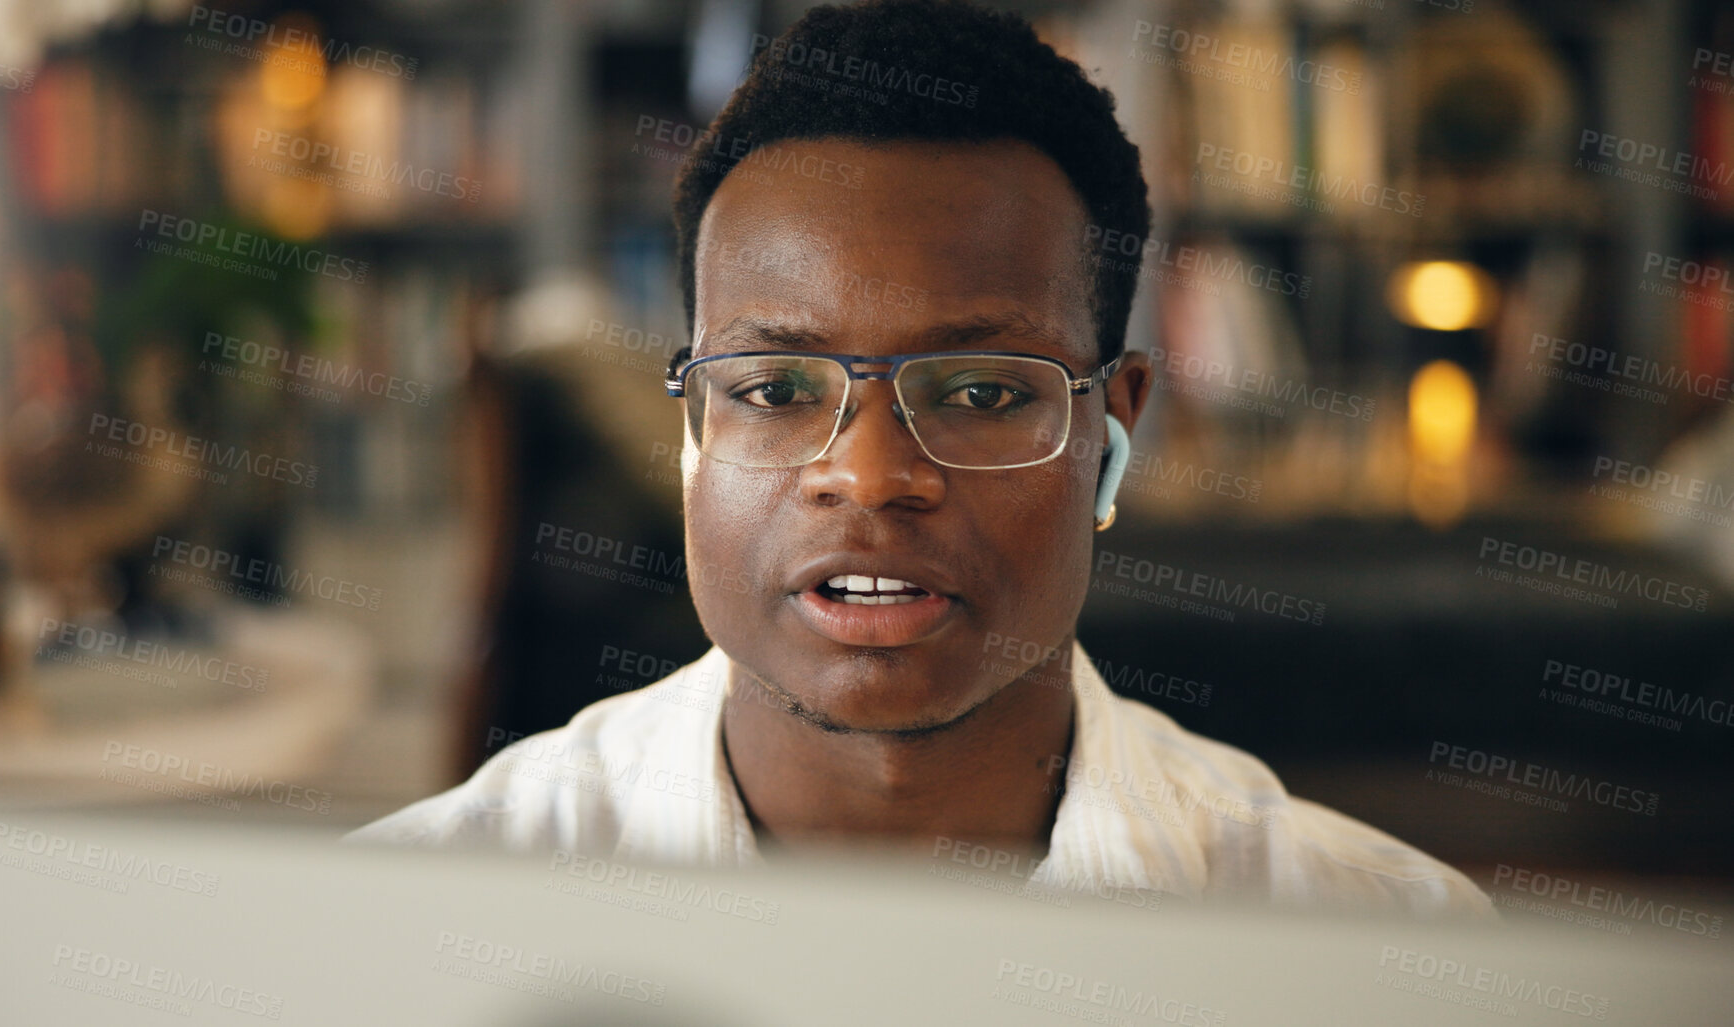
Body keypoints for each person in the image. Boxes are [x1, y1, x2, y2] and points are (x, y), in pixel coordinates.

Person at [349, 0, 1494, 919]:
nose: (870, 474)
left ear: (1113, 428)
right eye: (775, 389)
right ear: (696, 428)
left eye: (985, 391)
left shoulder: (1373, 947)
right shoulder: (409, 921)